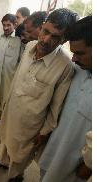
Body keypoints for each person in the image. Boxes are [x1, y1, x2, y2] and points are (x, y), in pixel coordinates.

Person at [0, 8, 79, 181]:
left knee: (20, 158)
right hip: (12, 111)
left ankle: (16, 177)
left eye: (55, 37)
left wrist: (45, 131)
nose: (46, 40)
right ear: (43, 26)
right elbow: (18, 79)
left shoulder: (65, 66)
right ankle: (2, 161)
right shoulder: (30, 46)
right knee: (6, 144)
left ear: (64, 40)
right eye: (46, 31)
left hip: (30, 124)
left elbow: (56, 105)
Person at [39, 16, 92, 182]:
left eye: (80, 53)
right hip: (51, 153)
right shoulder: (77, 70)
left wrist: (89, 165)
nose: (74, 58)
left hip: (74, 170)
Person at [0, 14, 21, 124]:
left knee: (7, 98)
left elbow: (21, 60)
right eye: (4, 25)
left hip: (10, 76)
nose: (6, 28)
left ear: (15, 25)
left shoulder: (19, 40)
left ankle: (5, 121)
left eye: (9, 25)